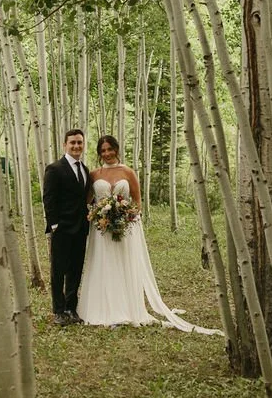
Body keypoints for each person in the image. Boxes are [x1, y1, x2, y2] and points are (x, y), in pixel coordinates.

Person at [77, 134, 221, 335]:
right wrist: (98, 213)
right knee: (103, 266)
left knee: (123, 265)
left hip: (125, 229)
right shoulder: (94, 174)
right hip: (101, 231)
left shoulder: (127, 172)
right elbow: (88, 201)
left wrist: (125, 214)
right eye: (103, 151)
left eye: (110, 149)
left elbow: (137, 202)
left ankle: (126, 308)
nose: (107, 153)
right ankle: (102, 308)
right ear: (99, 154)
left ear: (116, 149)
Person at [42, 129, 92, 326]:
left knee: (75, 270)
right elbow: (48, 199)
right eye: (73, 143)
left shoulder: (85, 170)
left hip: (81, 229)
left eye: (80, 142)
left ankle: (72, 308)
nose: (76, 146)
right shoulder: (54, 169)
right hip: (62, 229)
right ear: (65, 145)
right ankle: (59, 311)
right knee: (58, 270)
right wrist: (54, 225)